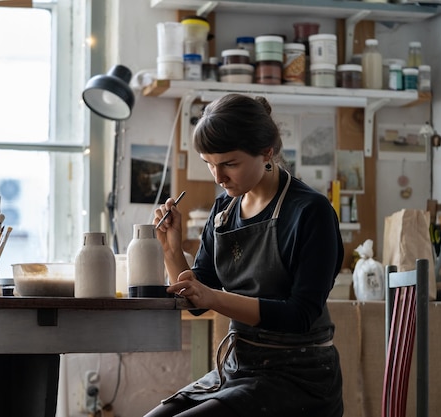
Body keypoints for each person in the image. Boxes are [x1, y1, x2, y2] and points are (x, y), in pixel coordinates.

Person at [147, 93, 344, 417]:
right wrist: (171, 249)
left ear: (266, 152)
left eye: (229, 164)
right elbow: (199, 299)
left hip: (299, 377)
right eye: (209, 163)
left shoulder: (310, 211)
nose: (218, 177)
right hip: (240, 368)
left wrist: (213, 297)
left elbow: (300, 316)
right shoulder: (224, 211)